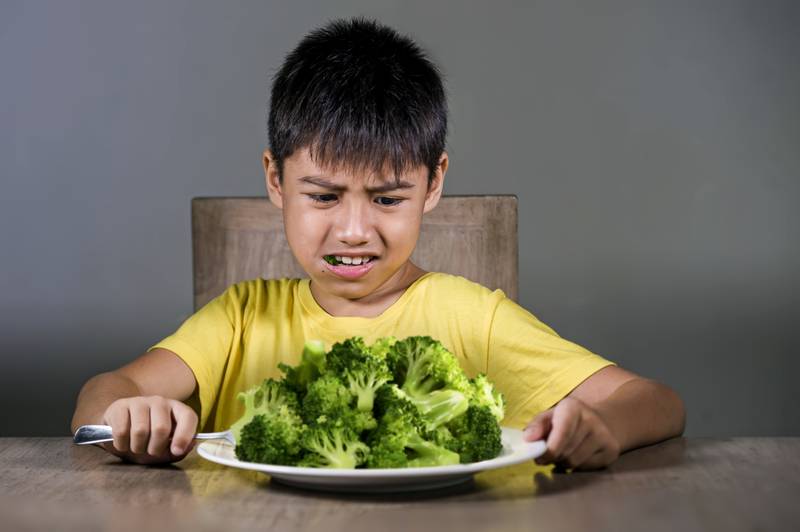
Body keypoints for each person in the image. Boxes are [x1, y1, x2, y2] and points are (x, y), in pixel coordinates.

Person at [71, 17, 685, 469]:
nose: (355, 230)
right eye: (323, 196)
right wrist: (132, 414)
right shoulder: (239, 320)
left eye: (388, 199)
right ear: (274, 179)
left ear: (434, 182)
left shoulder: (473, 318)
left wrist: (602, 425)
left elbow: (656, 401)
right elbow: (102, 395)